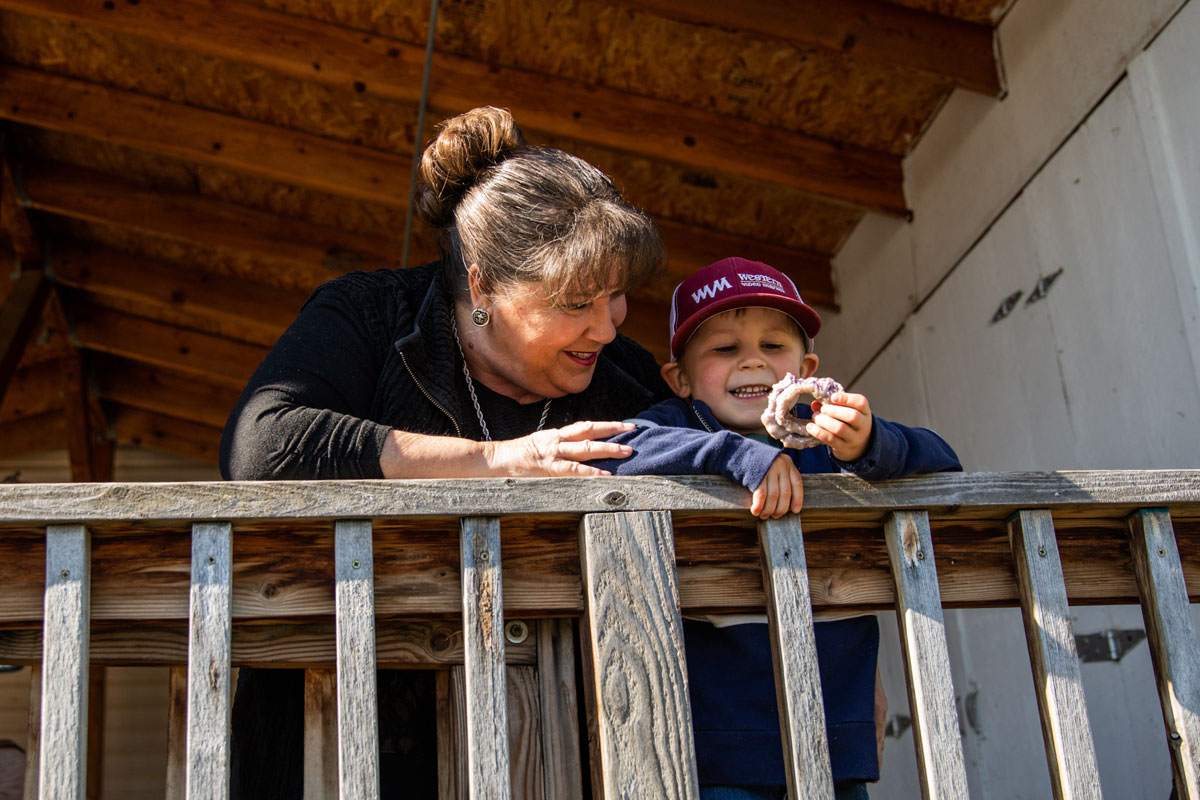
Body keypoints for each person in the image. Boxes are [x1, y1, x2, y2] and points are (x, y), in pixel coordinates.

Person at [218, 106, 674, 798]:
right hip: (334, 734)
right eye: (577, 301)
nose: (606, 327)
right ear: (483, 284)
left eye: (616, 297)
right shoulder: (369, 314)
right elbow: (261, 445)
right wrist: (500, 462)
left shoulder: (625, 376)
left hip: (550, 743)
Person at [591, 257, 962, 800]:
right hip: (714, 742)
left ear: (805, 370)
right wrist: (736, 456)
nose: (752, 362)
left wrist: (869, 443)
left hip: (833, 732)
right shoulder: (678, 427)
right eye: (724, 349)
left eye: (773, 346)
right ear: (682, 379)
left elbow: (945, 462)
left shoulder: (827, 439)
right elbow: (616, 453)